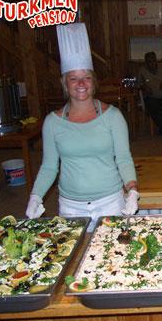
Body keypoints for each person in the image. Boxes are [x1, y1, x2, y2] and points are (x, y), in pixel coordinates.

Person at [25, 23, 139, 231]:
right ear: (65, 83)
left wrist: (131, 189)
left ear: (93, 82)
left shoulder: (113, 117)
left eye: (86, 77)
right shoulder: (52, 122)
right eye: (74, 78)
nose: (81, 84)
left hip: (111, 202)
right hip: (71, 207)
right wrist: (35, 196)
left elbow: (123, 158)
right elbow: (50, 166)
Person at [138, 52, 162, 137]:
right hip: (152, 96)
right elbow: (138, 83)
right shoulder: (142, 70)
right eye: (149, 62)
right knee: (153, 108)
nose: (151, 63)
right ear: (146, 63)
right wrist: (144, 87)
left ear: (156, 60)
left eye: (153, 61)